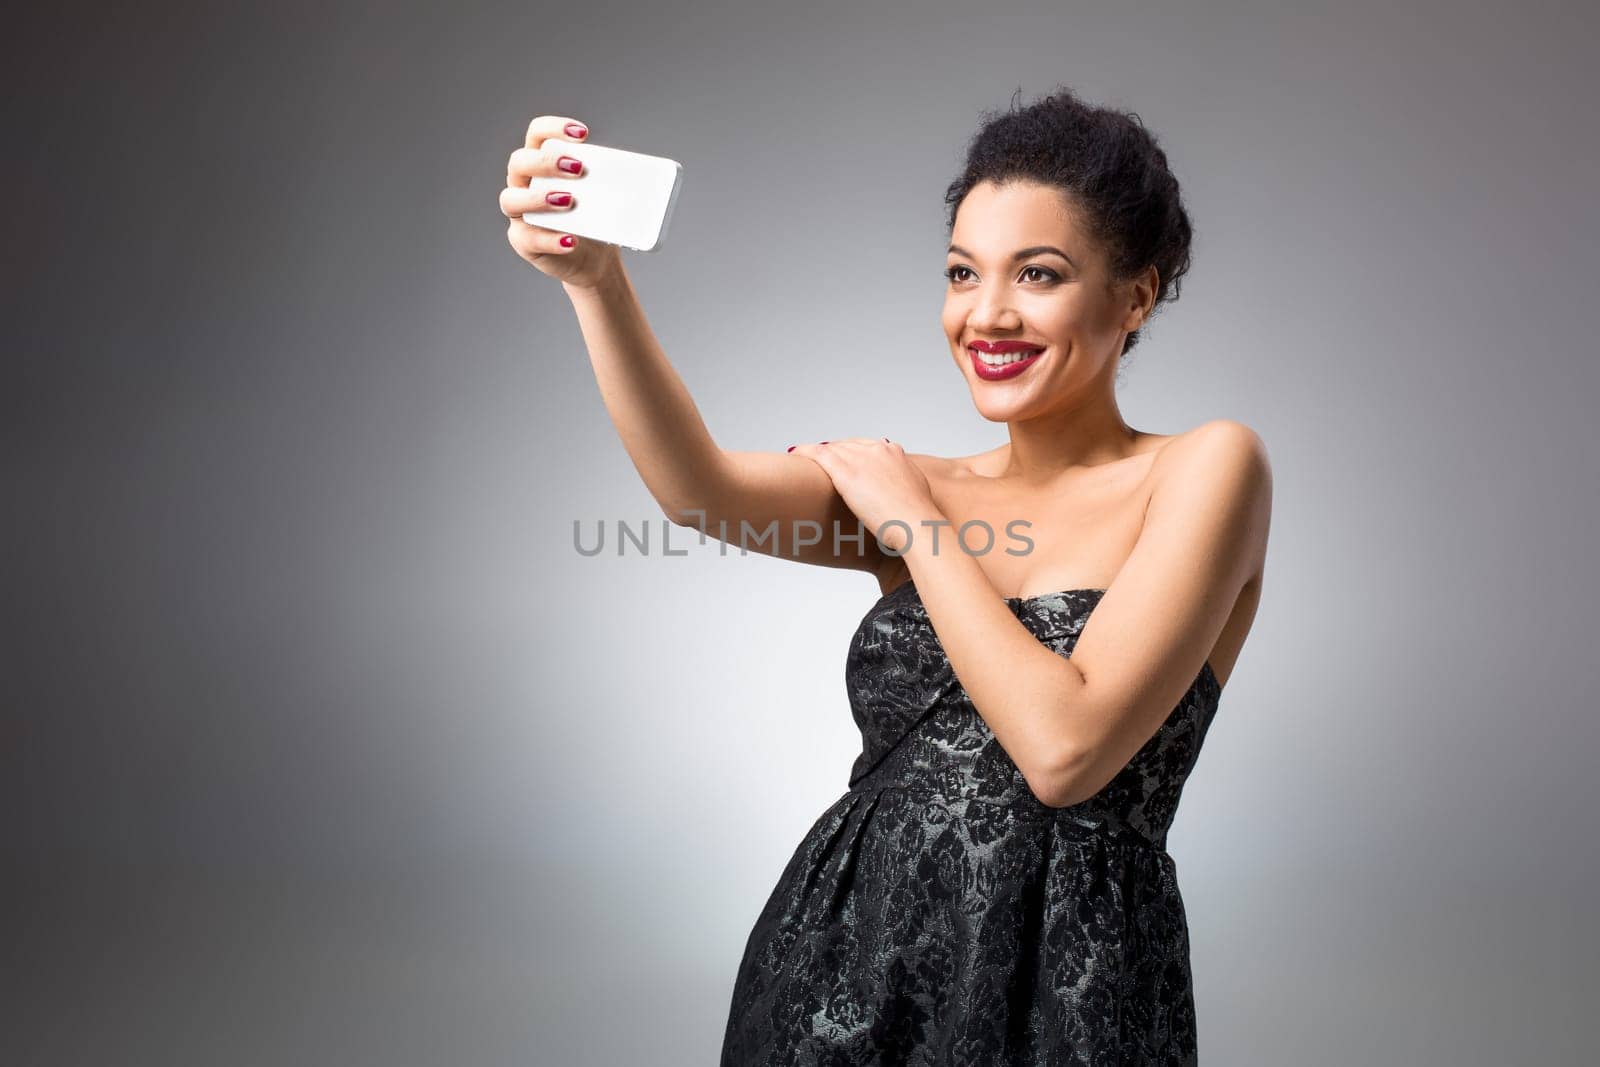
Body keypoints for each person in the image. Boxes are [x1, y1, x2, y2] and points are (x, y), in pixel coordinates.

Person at [501, 85, 1272, 1065]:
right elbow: (699, 492)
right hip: (833, 976)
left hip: (1070, 987)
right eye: (961, 272)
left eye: (1037, 274)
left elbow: (1065, 748)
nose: (986, 313)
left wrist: (915, 529)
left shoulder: (1206, 467)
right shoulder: (915, 485)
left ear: (1134, 295)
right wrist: (597, 285)